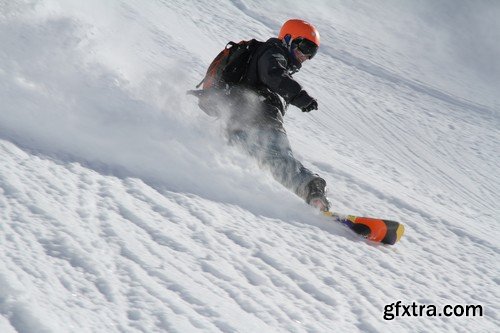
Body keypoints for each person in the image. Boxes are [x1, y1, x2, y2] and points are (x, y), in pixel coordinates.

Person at [193, 19, 330, 211]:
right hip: (260, 115)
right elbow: (273, 75)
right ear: (288, 39)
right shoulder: (273, 51)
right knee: (277, 155)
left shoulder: (266, 53)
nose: (306, 56)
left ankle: (305, 191)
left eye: (312, 52)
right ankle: (310, 188)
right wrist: (300, 96)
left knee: (260, 157)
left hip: (238, 118)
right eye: (305, 47)